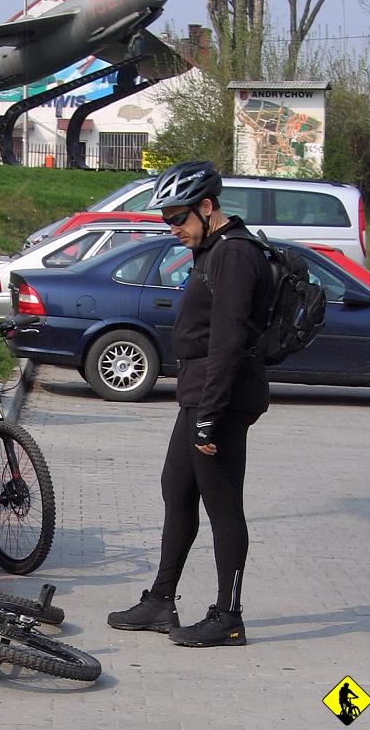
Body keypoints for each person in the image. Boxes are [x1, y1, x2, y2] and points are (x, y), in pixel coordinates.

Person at [107, 160, 273, 647]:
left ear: (207, 207)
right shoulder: (212, 249)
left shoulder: (235, 255)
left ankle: (229, 615)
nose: (172, 227)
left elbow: (227, 341)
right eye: (166, 219)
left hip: (219, 401)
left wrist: (210, 417)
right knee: (176, 490)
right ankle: (161, 601)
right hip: (198, 396)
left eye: (178, 217)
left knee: (223, 505)